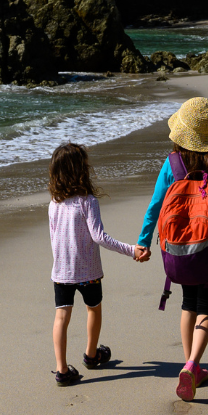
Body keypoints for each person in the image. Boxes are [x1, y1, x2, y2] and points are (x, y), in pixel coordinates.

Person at [135, 97, 208, 401]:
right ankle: (194, 364)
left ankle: (189, 365)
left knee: (187, 304)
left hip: (178, 252)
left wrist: (144, 241)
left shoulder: (172, 163)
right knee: (206, 308)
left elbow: (155, 206)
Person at [48, 142, 147, 386]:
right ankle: (91, 355)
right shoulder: (87, 201)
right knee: (93, 309)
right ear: (81, 170)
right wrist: (131, 250)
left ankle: (62, 370)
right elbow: (99, 237)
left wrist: (61, 263)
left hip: (61, 272)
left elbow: (54, 237)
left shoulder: (54, 203)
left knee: (61, 316)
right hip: (88, 271)